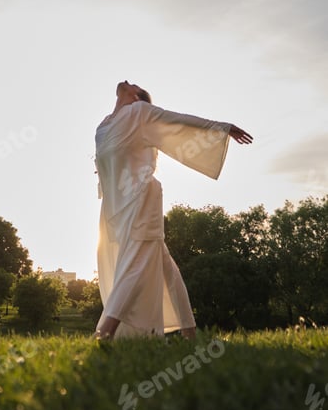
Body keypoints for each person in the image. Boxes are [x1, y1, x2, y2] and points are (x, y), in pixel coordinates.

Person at [94, 80, 253, 342]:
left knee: (134, 264)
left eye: (135, 85)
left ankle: (105, 334)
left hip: (141, 201)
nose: (129, 82)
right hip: (117, 208)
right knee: (167, 268)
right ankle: (190, 334)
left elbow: (178, 121)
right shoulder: (103, 125)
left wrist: (223, 129)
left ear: (136, 97)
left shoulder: (140, 112)